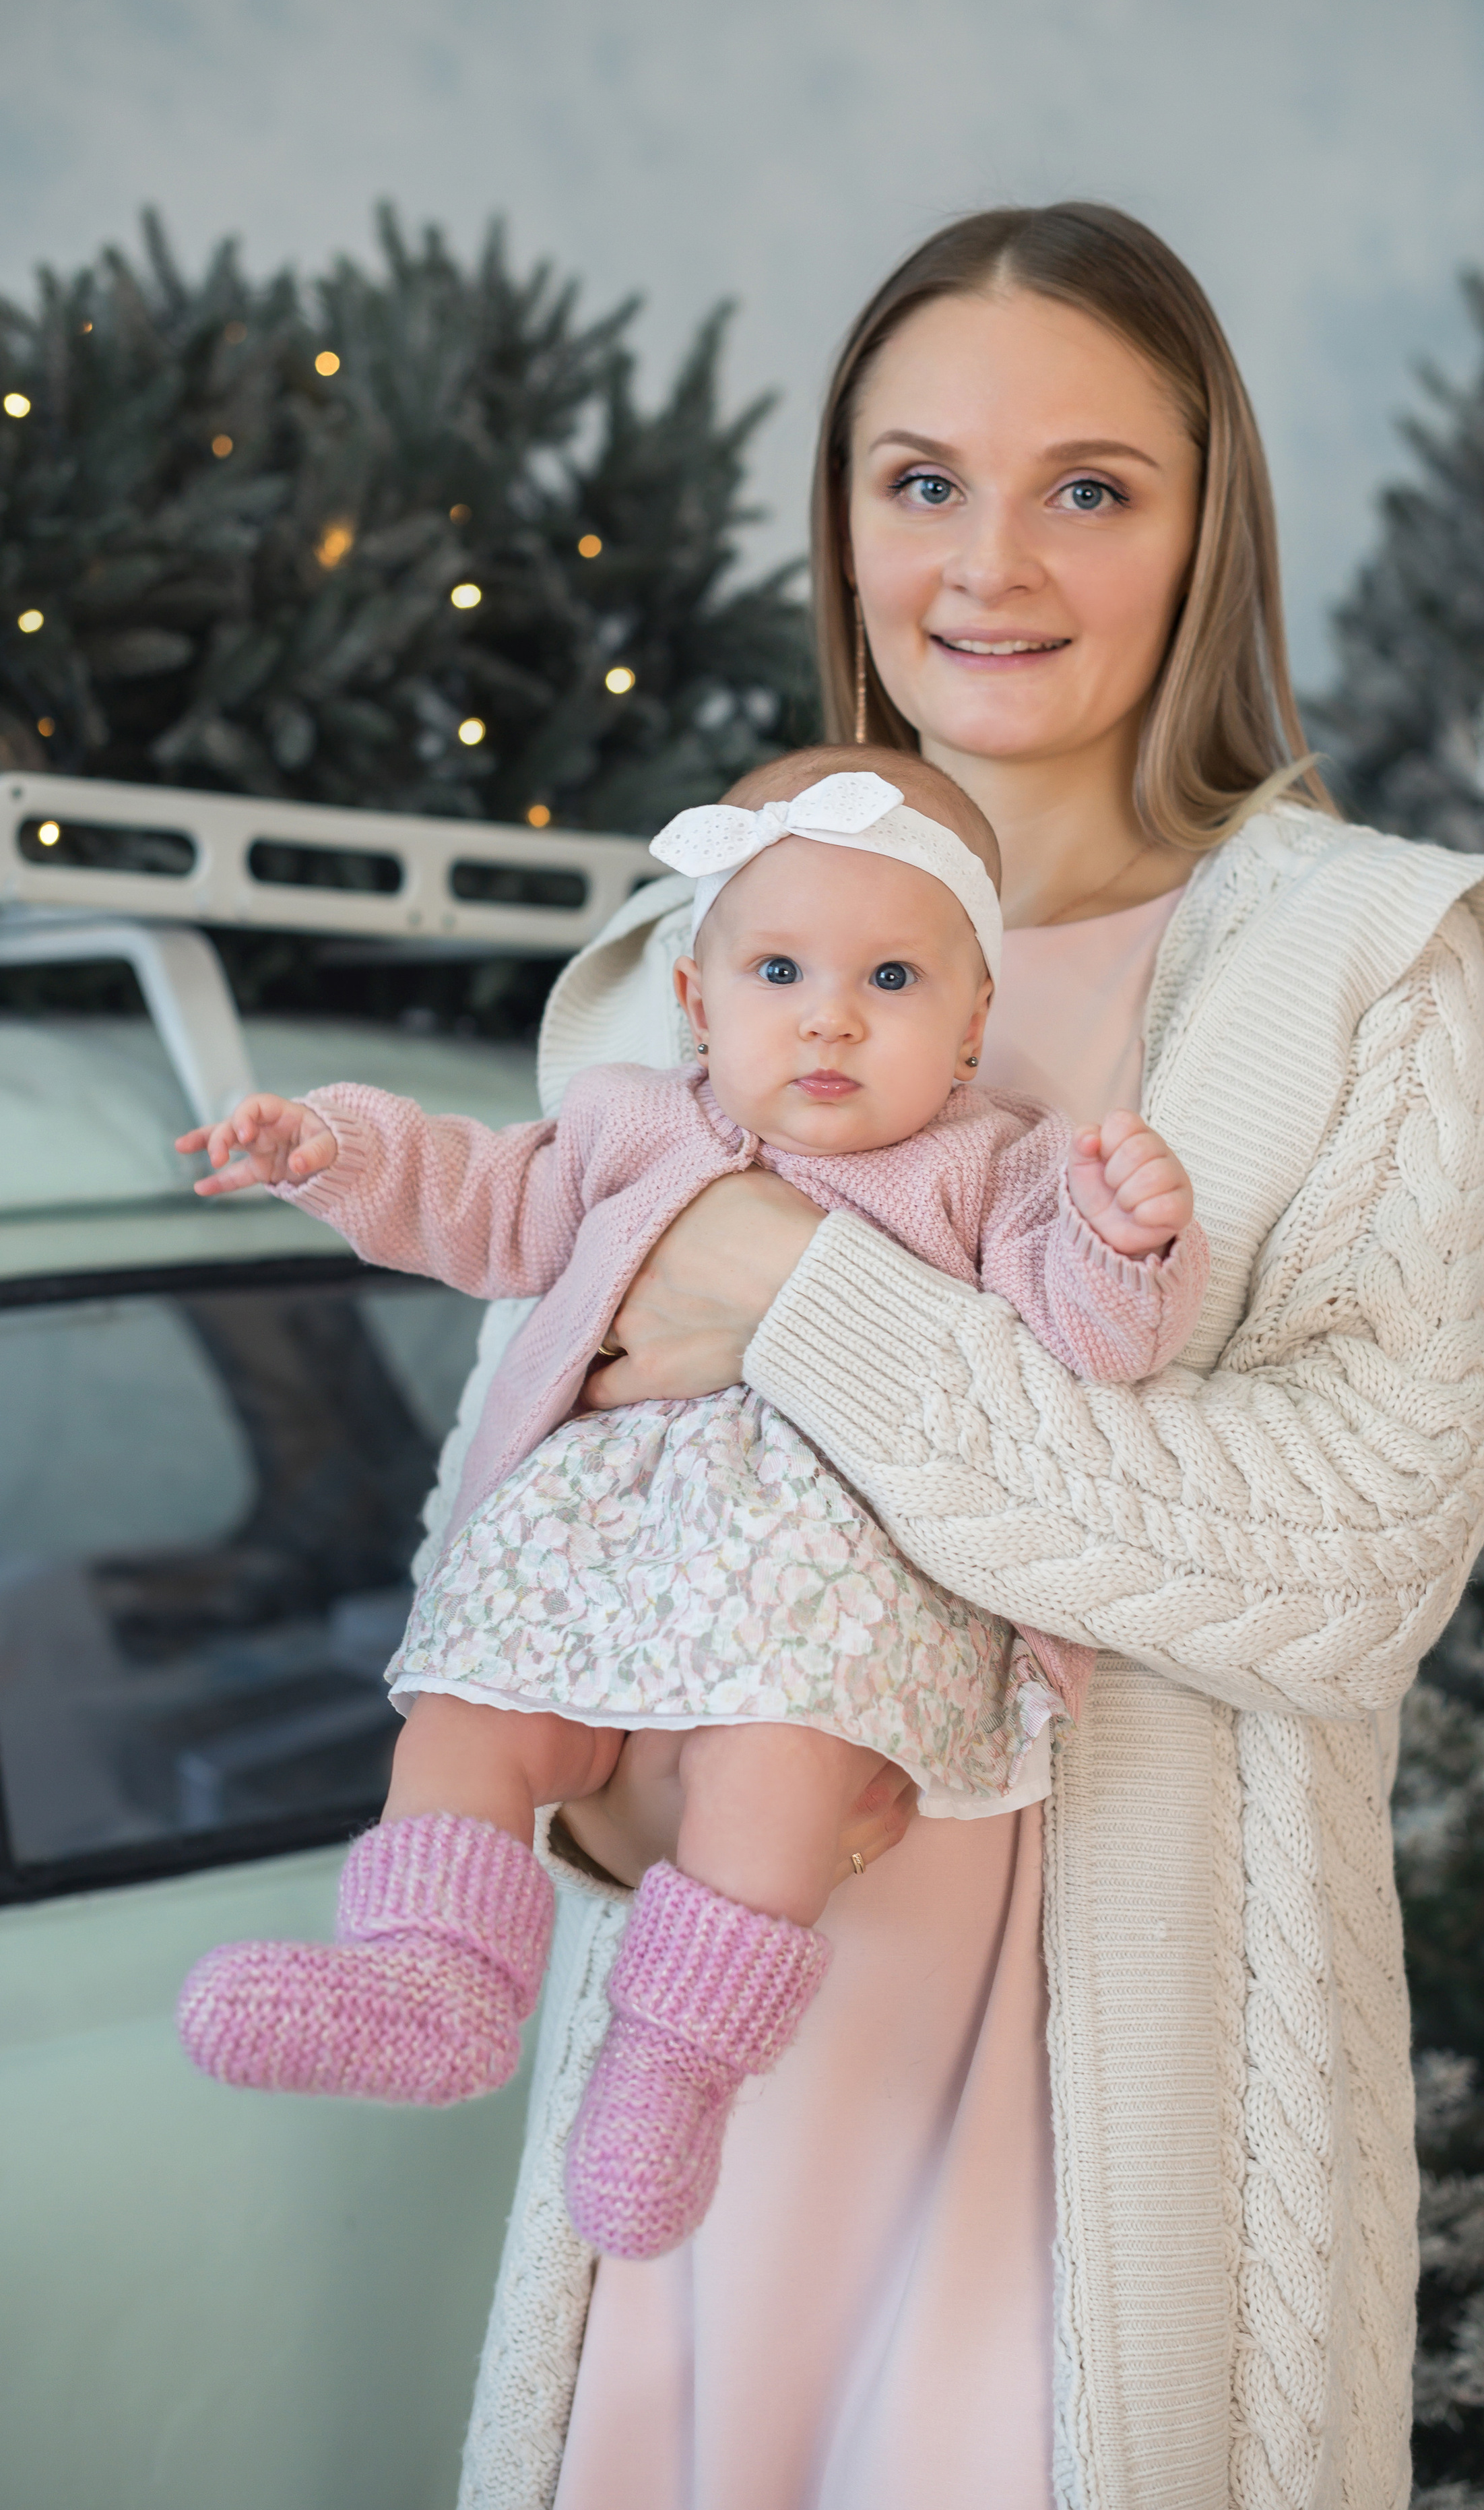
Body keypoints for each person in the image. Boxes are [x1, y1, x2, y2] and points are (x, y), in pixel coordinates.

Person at [451, 203, 1484, 2510]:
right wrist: (634, 1805)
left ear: (1203, 521)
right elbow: (517, 1544)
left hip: (1130, 2107)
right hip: (736, 2056)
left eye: (1091, 486)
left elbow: (1353, 1552)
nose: (992, 563)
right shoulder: (693, 961)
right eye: (921, 480)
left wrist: (790, 1295)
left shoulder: (1352, 963)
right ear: (844, 518)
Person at [172, 743, 1208, 2267]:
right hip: (584, 1567)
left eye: (894, 980)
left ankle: (672, 2055)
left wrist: (1122, 1243)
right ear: (696, 1004)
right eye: (778, 968)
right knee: (467, 1706)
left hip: (818, 1601)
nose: (830, 1017)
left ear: (975, 1016)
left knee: (774, 1758)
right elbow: (478, 1197)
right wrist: (338, 1148)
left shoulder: (992, 1169)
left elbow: (1089, 1342)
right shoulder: (622, 1126)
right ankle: (431, 1976)